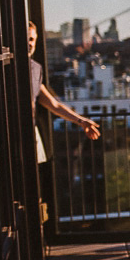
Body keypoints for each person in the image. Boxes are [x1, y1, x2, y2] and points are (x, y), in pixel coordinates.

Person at [28, 22, 101, 160]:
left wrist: (82, 121)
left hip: (31, 133)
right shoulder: (8, 67)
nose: (29, 43)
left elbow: (53, 104)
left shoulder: (36, 69)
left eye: (31, 39)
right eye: (26, 39)